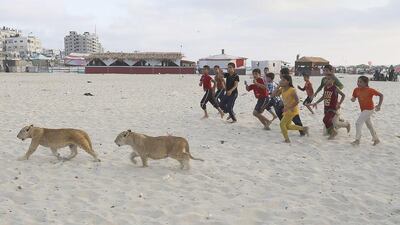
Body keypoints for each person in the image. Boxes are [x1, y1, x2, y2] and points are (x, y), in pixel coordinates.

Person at [309, 73, 350, 140]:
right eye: (326, 79)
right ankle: (334, 129)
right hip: (326, 107)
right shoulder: (325, 87)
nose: (327, 80)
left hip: (333, 107)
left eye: (329, 79)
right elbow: (324, 97)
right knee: (329, 123)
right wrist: (316, 102)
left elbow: (343, 95)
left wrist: (339, 103)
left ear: (333, 80)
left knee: (325, 120)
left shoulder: (335, 88)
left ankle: (335, 132)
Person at [273, 75, 308, 143]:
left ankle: (287, 140)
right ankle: (303, 128)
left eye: (283, 80)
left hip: (292, 110)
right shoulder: (282, 89)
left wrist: (288, 108)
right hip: (287, 110)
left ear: (288, 81)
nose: (281, 81)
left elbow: (297, 101)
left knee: (282, 124)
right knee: (287, 126)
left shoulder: (292, 90)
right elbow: (273, 95)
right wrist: (278, 86)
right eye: (281, 80)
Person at [351, 76, 383, 146]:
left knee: (358, 123)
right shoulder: (356, 90)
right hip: (363, 110)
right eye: (358, 81)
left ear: (366, 83)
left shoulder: (370, 90)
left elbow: (381, 95)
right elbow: (354, 97)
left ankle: (357, 140)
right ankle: (376, 139)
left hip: (369, 109)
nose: (358, 83)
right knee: (369, 125)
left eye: (360, 82)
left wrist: (379, 105)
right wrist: (353, 99)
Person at [276, 67, 306, 136]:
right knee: (282, 116)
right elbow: (275, 94)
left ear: (283, 74)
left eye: (280, 74)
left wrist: (288, 107)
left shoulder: (289, 86)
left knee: (296, 119)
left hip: (291, 108)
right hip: (286, 106)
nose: (279, 75)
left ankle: (302, 131)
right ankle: (285, 127)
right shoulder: (283, 84)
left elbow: (296, 100)